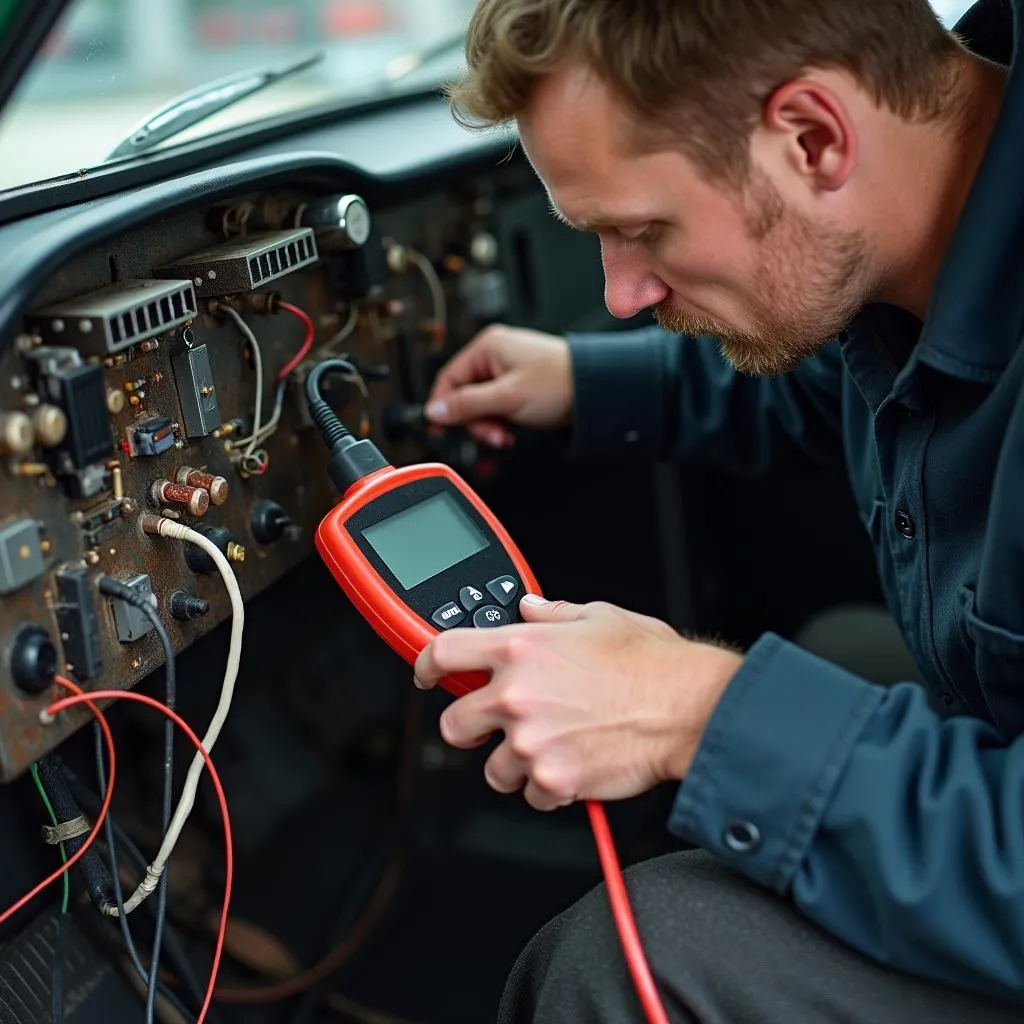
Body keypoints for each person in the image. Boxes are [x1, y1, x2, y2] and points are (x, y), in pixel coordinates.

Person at [413, 0, 1024, 1020]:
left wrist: (698, 711)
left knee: (627, 959)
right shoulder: (914, 221)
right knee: (836, 648)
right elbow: (830, 380)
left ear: (811, 136)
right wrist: (580, 380)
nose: (618, 291)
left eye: (642, 230)